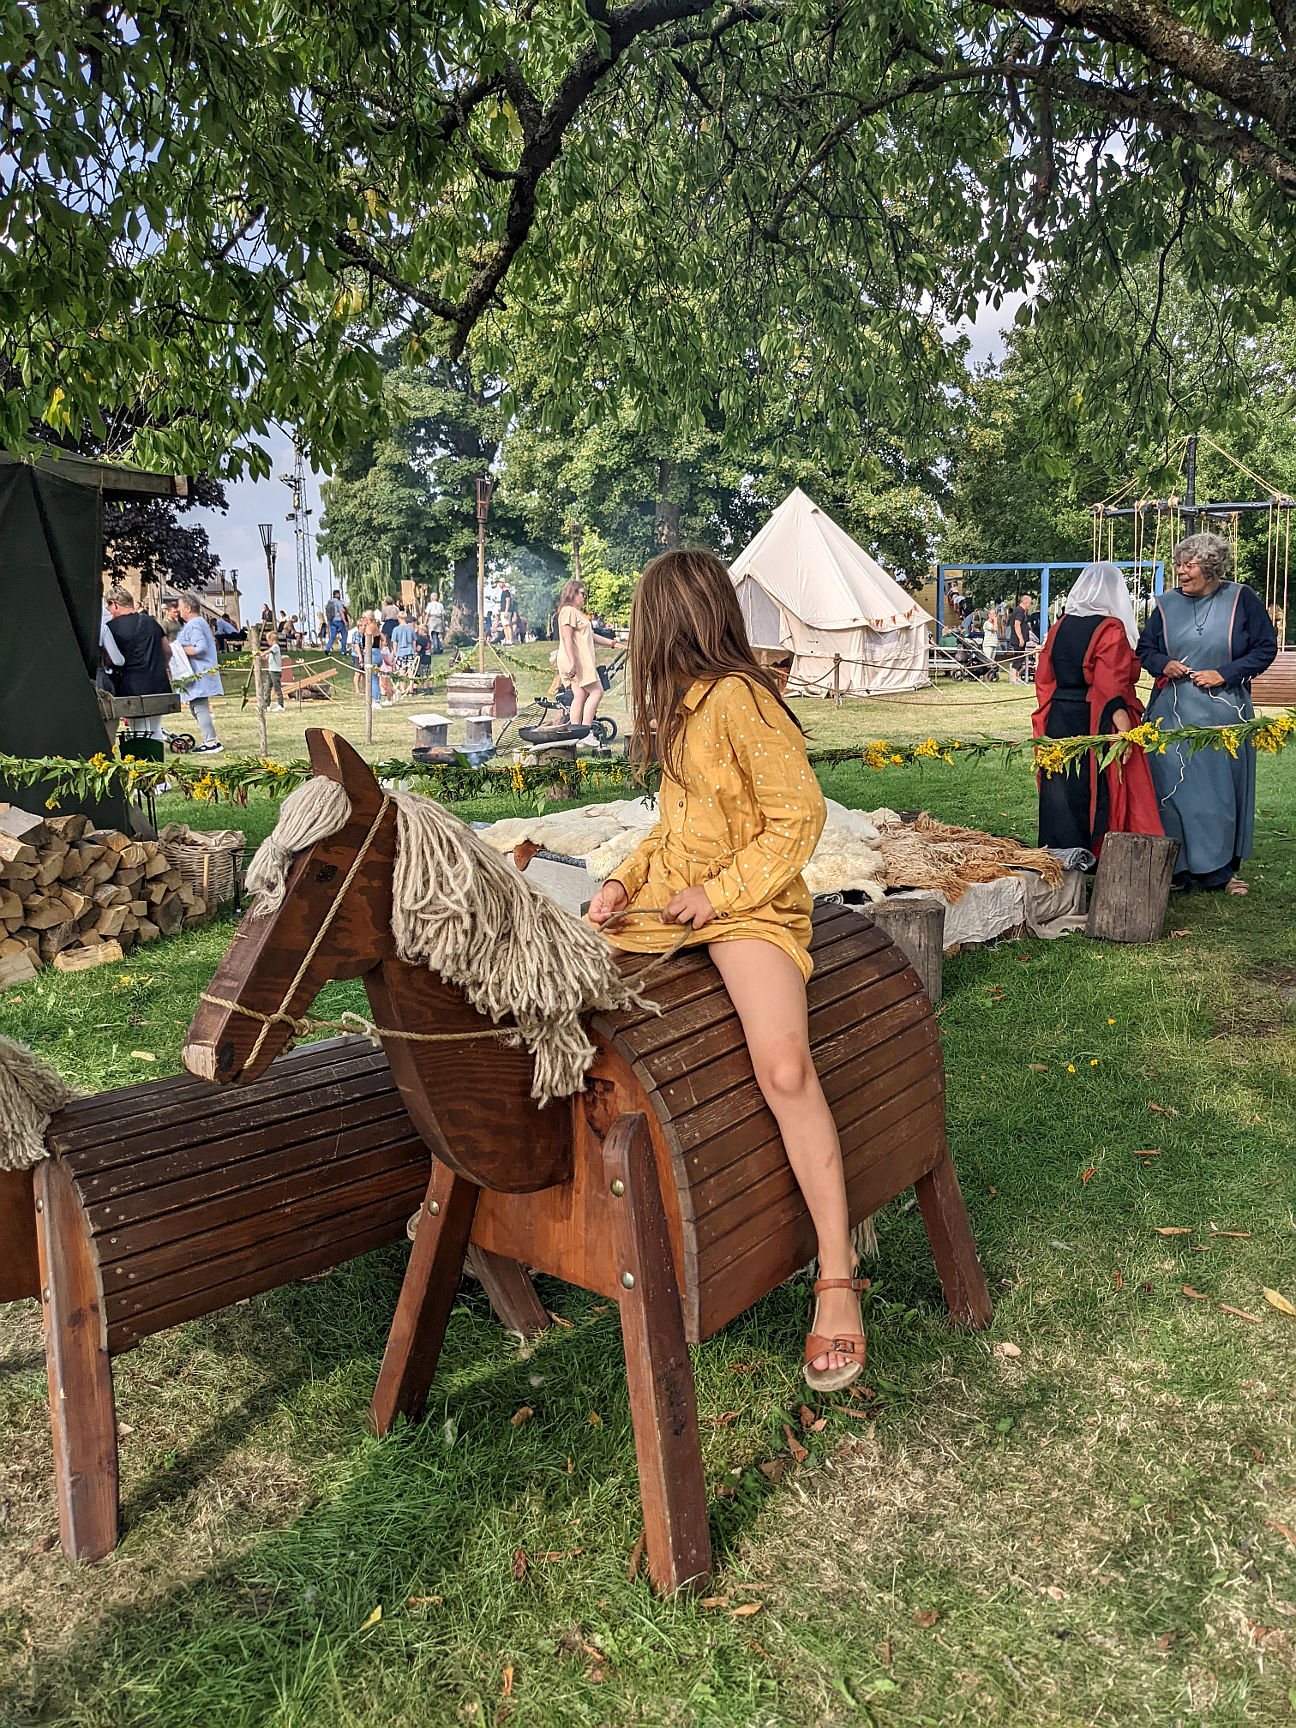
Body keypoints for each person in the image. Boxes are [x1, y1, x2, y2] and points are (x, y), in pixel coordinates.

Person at [586, 548, 866, 1394]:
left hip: (751, 905)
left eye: (643, 626)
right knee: (556, 979)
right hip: (676, 899)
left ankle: (838, 1272)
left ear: (672, 623)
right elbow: (675, 832)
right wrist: (621, 881)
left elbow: (800, 819)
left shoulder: (742, 699)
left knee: (783, 1067)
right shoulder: (679, 712)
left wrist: (722, 892)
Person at [1137, 532, 1278, 894]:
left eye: (1189, 565)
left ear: (1211, 568)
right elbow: (1145, 649)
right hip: (1171, 714)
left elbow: (1264, 648)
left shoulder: (1241, 599)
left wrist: (1226, 673)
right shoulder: (1165, 604)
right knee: (1171, 789)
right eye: (1178, 565)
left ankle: (1219, 871)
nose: (1181, 572)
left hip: (1224, 714)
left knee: (1218, 795)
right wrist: (1163, 664)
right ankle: (1176, 868)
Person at [1033, 563, 1163, 856]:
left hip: (1059, 717)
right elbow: (1109, 686)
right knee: (1095, 790)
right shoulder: (1110, 628)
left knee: (1062, 791)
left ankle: (1062, 856)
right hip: (1095, 720)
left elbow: (1044, 677)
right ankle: (1095, 854)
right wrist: (1124, 730)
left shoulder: (1059, 626)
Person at [104, 587, 168, 739]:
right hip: (157, 683)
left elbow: (108, 660)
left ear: (115, 604)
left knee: (137, 730)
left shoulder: (112, 628)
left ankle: (141, 761)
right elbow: (167, 650)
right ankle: (157, 760)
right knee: (155, 728)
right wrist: (160, 667)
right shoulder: (151, 622)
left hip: (130, 686)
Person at [556, 579, 617, 730]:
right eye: (582, 594)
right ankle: (585, 731)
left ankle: (576, 733)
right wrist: (572, 662)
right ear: (573, 593)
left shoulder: (576, 613)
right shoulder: (568, 611)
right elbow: (566, 636)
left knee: (580, 695)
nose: (584, 597)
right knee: (597, 691)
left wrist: (614, 644)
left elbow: (591, 636)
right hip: (575, 660)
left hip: (577, 660)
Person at [176, 596, 224, 752]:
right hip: (198, 673)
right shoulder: (199, 623)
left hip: (199, 673)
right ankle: (211, 739)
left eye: (180, 607)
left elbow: (200, 649)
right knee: (195, 707)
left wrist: (177, 651)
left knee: (199, 707)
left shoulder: (195, 623)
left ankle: (211, 743)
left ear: (188, 608)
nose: (178, 610)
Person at [1006, 592, 1034, 682]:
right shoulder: (1019, 611)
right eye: (1030, 603)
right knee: (1017, 658)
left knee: (1020, 658)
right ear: (1025, 602)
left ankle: (1017, 677)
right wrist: (1021, 638)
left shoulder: (1021, 611)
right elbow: (1017, 624)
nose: (1029, 605)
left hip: (1021, 640)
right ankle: (1014, 678)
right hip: (1017, 640)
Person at [262, 632, 285, 711]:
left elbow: (267, 652)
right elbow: (266, 658)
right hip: (271, 671)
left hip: (276, 671)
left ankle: (280, 705)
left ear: (271, 640)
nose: (267, 642)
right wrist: (259, 656)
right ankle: (266, 705)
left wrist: (261, 653)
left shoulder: (275, 647)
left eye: (267, 640)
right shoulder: (272, 650)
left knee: (277, 688)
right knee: (267, 688)